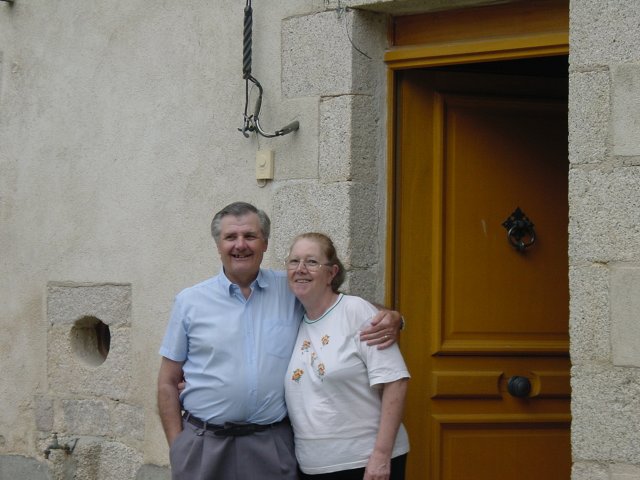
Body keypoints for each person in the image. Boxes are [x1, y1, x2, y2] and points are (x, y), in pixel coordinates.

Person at [157, 201, 403, 480]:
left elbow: (338, 305)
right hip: (204, 444)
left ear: (265, 243)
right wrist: (178, 447)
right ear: (218, 245)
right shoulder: (190, 301)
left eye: (250, 236)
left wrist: (392, 317)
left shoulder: (290, 288)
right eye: (230, 237)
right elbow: (167, 381)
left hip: (270, 445)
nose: (240, 245)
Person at [284, 232, 410, 480]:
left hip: (364, 462)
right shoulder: (294, 318)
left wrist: (381, 455)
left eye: (311, 262)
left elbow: (396, 380)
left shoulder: (355, 311)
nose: (300, 269)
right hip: (313, 465)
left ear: (332, 273)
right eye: (293, 261)